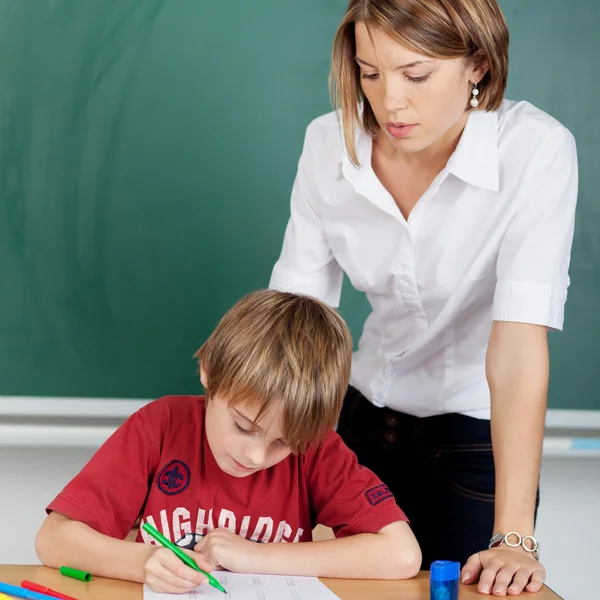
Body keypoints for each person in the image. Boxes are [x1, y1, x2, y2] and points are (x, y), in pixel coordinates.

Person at [269, 0, 578, 596]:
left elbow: (517, 345)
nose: (390, 103)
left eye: (416, 74)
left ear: (478, 66)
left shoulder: (535, 152)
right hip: (359, 423)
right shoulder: (327, 145)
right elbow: (294, 319)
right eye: (369, 72)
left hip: (474, 440)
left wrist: (514, 535)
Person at [35, 290, 421, 594]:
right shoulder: (160, 426)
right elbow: (53, 540)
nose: (255, 455)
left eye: (282, 443)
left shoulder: (314, 448)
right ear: (209, 371)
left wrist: (256, 556)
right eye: (243, 426)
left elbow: (401, 554)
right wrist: (142, 562)